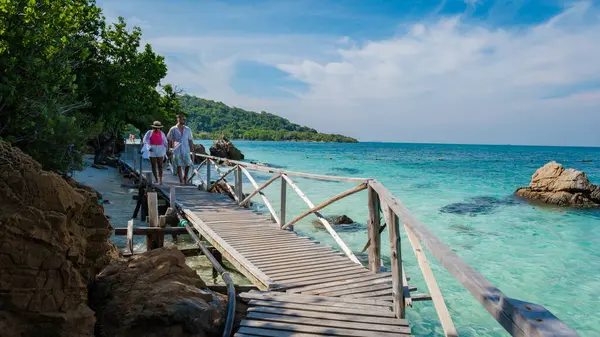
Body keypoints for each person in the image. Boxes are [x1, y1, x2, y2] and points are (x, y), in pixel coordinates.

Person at [167, 114, 195, 185]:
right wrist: (169, 149)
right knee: (178, 165)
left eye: (185, 119)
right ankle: (181, 181)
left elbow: (190, 140)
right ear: (178, 119)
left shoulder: (188, 129)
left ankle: (185, 177)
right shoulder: (173, 129)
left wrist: (192, 151)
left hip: (186, 150)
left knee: (188, 164)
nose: (185, 121)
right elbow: (170, 139)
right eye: (183, 119)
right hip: (177, 149)